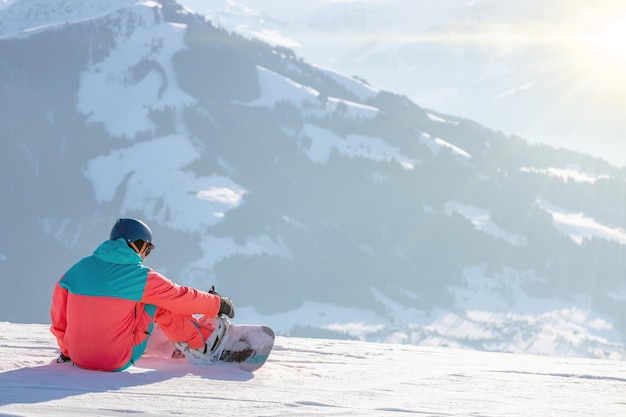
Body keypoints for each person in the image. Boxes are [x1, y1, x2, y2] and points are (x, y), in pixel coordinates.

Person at [50, 218, 235, 372]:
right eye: (147, 248)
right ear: (137, 245)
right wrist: (218, 303)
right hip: (115, 360)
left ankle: (160, 337)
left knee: (130, 303)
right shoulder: (139, 276)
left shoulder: (77, 270)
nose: (146, 254)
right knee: (159, 302)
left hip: (78, 357)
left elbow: (59, 319)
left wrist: (67, 351)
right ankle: (202, 343)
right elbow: (180, 297)